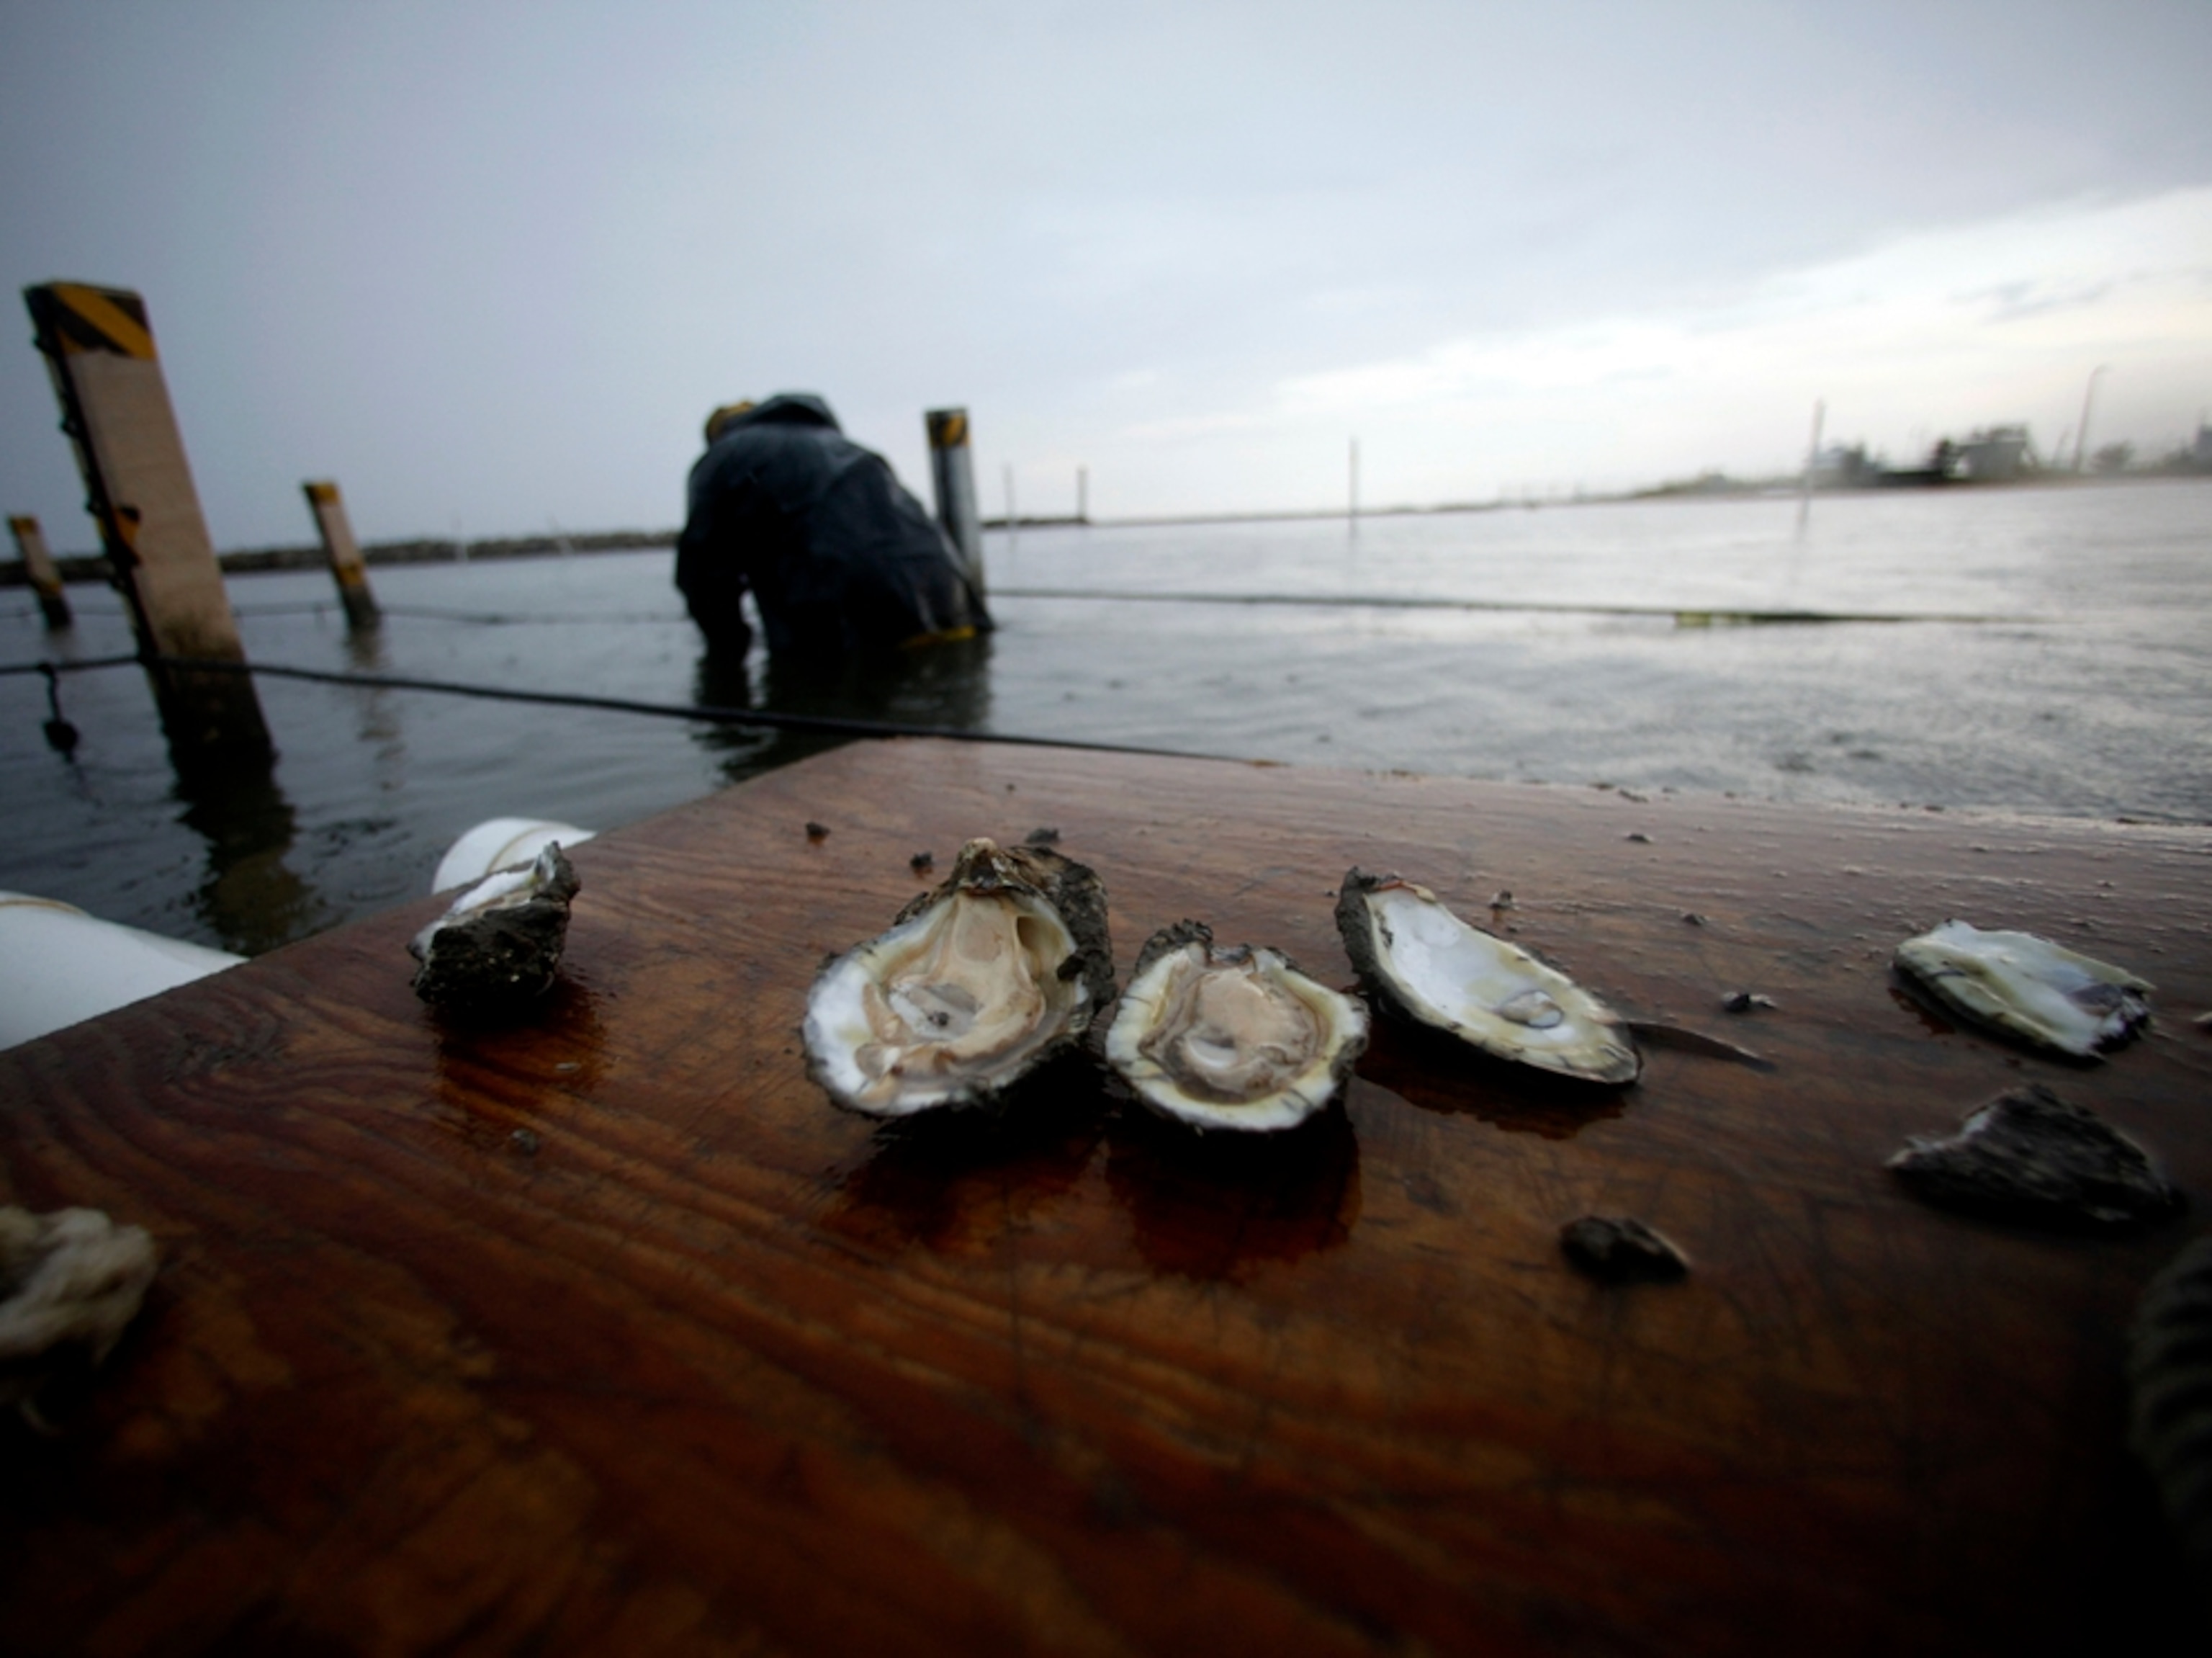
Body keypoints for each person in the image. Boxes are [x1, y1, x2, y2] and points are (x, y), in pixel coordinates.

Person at [675, 393, 989, 659]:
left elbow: (704, 574)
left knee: (844, 703)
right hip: (946, 590)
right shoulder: (843, 445)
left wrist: (726, 652)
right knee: (949, 686)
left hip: (845, 611)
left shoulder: (723, 458)